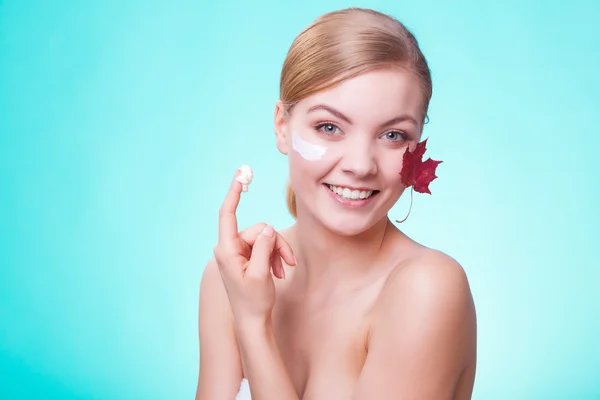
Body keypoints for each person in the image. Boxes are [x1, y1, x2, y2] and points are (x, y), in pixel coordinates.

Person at [195, 7, 477, 400]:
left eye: (393, 135)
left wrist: (253, 326)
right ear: (282, 126)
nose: (361, 165)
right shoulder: (230, 277)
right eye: (329, 128)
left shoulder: (427, 291)